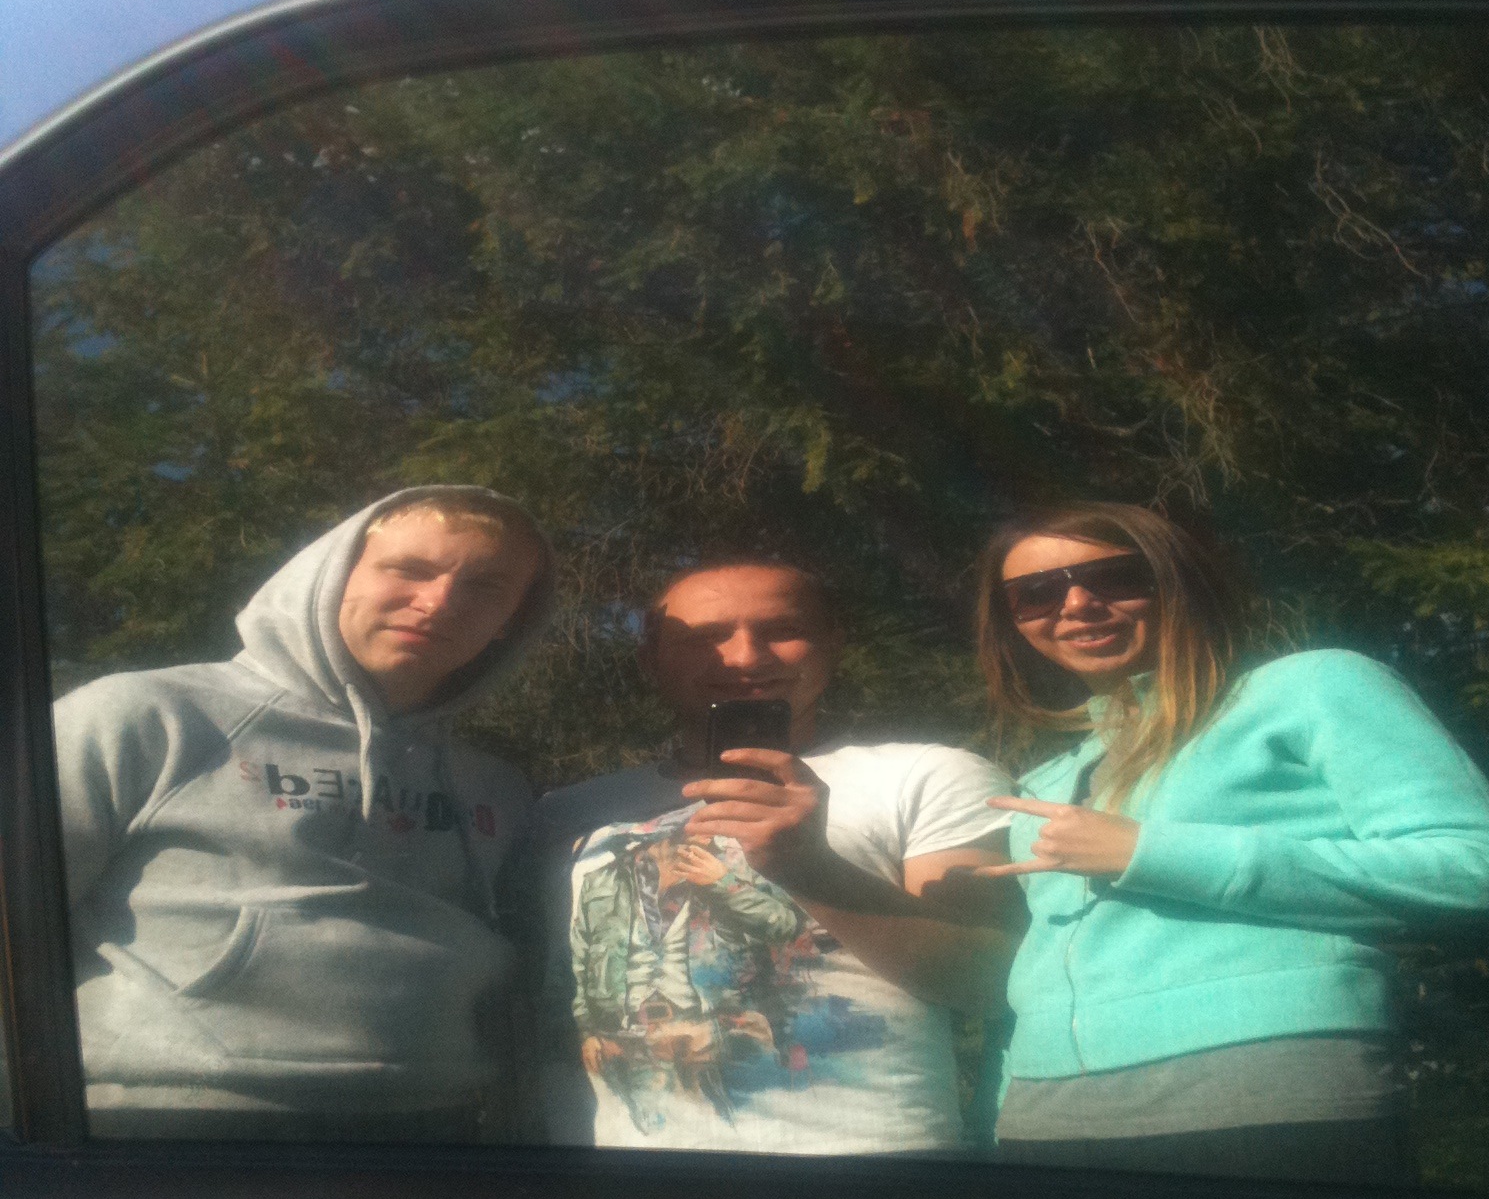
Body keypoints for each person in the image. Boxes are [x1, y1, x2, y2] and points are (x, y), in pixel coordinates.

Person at [974, 501, 1489, 1181]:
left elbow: (1479, 870)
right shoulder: (1046, 781)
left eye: (1115, 576)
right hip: (1043, 1123)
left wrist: (1151, 852)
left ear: (1176, 580)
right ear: (1013, 621)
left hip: (1268, 1095)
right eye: (1036, 592)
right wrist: (1002, 1113)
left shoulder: (1311, 687)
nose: (1077, 604)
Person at [55, 485, 556, 1140]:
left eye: (486, 588)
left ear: (511, 621)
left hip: (440, 1132)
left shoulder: (497, 788)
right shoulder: (148, 716)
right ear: (332, 574)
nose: (439, 603)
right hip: (168, 1121)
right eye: (408, 569)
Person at [539, 560, 1017, 1153]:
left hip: (867, 1169)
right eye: (706, 637)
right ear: (650, 660)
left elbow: (990, 980)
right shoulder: (570, 812)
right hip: (610, 1176)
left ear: (833, 645)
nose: (745, 658)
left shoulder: (927, 775)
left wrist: (811, 869)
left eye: (783, 630)